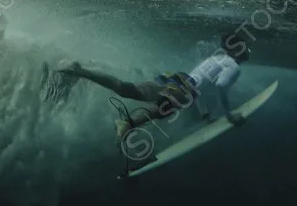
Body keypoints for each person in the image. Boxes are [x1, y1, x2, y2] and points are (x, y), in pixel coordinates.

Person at [57, 31, 251, 140]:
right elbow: (221, 85)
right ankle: (126, 124)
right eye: (246, 49)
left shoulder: (216, 58)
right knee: (161, 110)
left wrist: (205, 116)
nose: (248, 52)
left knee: (127, 89)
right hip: (184, 90)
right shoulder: (233, 66)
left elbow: (199, 85)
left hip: (175, 80)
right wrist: (229, 115)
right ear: (238, 51)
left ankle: (82, 72)